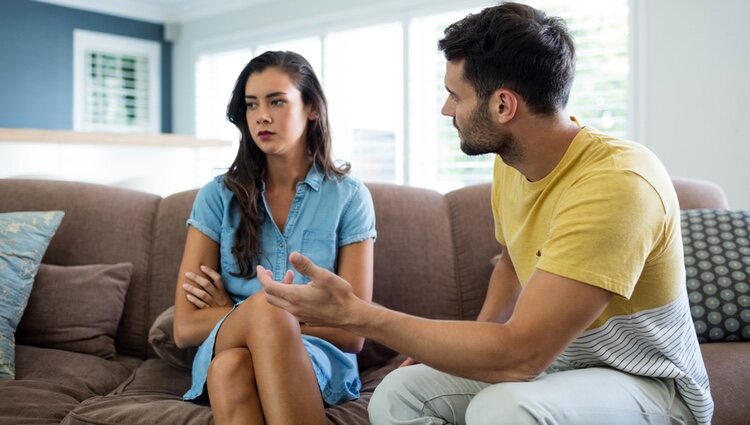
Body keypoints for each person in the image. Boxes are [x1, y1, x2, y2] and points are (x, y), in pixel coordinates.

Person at [258, 3, 713, 425]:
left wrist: (357, 314)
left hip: (650, 382)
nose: (446, 109)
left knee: (504, 408)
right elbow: (514, 260)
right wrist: (467, 344)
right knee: (397, 393)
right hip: (567, 361)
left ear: (502, 105)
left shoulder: (616, 185)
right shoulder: (513, 161)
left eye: (455, 96)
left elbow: (521, 355)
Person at [172, 50, 376, 425]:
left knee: (232, 365)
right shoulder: (217, 196)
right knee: (258, 318)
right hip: (230, 341)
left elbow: (354, 329)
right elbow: (185, 327)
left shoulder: (349, 197)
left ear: (311, 108)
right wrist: (256, 316)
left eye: (277, 101)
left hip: (316, 359)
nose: (261, 116)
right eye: (252, 105)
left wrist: (245, 312)